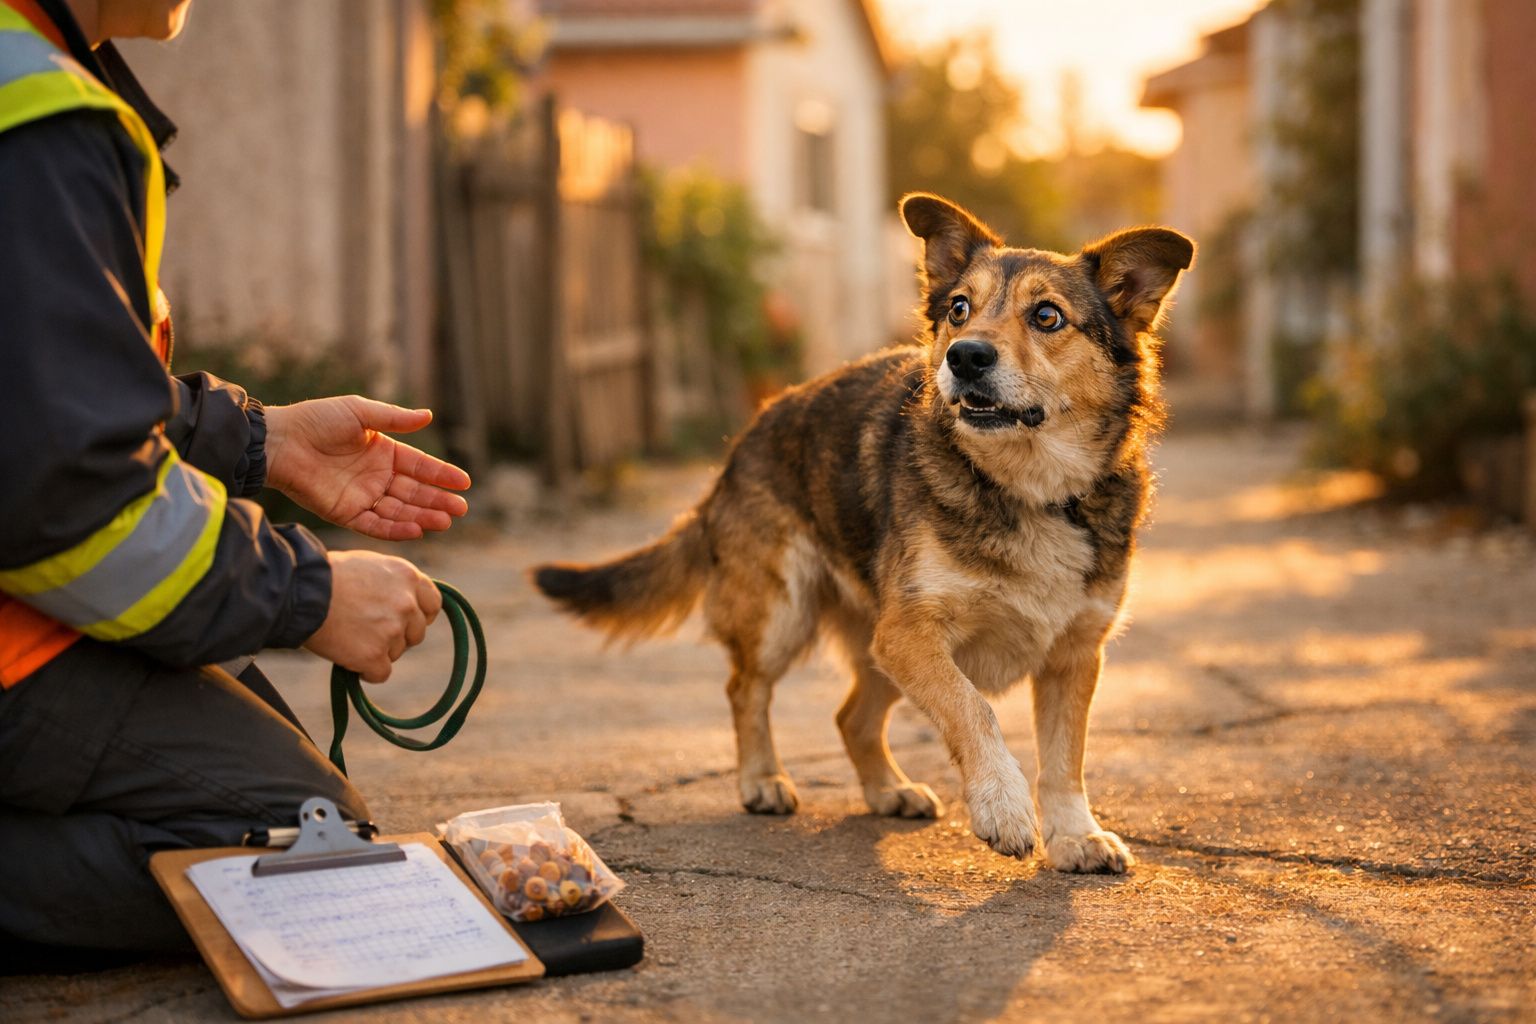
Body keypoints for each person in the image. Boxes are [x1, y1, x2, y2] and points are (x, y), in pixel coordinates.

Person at [0, 0, 473, 953]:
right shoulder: (35, 116)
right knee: (292, 851)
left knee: (268, 750)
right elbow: (69, 497)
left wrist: (260, 440)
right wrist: (309, 594)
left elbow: (34, 394)